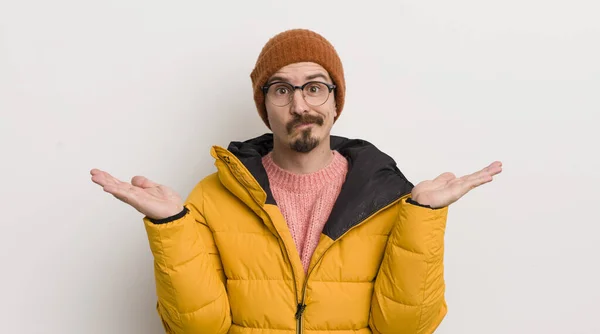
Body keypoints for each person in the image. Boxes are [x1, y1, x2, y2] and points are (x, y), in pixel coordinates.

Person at [90, 28, 502, 334]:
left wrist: (424, 217)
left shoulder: (388, 197)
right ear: (264, 104)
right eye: (282, 89)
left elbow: (405, 328)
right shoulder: (213, 195)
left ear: (335, 101)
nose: (300, 104)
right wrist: (170, 226)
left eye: (315, 87)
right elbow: (199, 329)